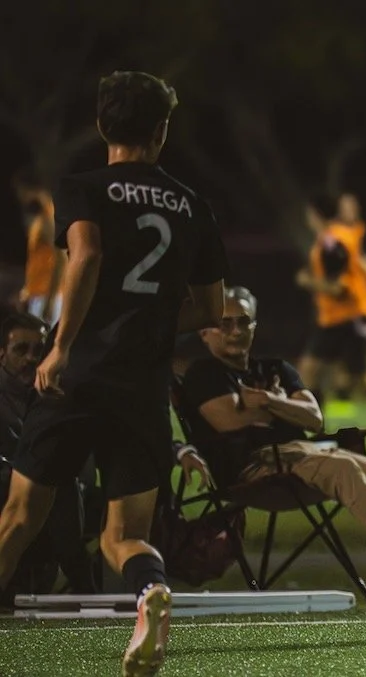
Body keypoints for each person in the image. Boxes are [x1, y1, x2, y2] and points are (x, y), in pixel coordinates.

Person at [0, 71, 227, 676]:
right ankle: (149, 591)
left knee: (21, 515)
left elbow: (90, 253)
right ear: (161, 132)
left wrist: (64, 345)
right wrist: (147, 321)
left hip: (79, 377)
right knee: (122, 534)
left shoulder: (82, 187)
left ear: (103, 125)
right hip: (143, 385)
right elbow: (211, 310)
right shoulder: (193, 205)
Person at [179, 286, 366, 605]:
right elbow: (231, 423)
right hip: (255, 468)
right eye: (225, 324)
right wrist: (286, 407)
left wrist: (265, 402)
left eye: (243, 322)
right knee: (342, 467)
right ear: (206, 333)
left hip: (304, 456)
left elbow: (314, 418)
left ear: (254, 327)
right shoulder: (202, 374)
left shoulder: (277, 368)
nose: (235, 331)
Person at [0, 313, 95, 596]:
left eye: (39, 351)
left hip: (46, 491)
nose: (31, 358)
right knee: (51, 480)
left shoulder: (58, 395)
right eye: (21, 350)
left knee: (53, 479)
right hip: (10, 487)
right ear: (2, 353)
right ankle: (81, 580)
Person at [295, 196, 366, 419]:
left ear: (316, 215)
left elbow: (338, 288)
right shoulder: (336, 236)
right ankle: (315, 420)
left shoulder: (333, 240)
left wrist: (308, 281)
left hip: (346, 315)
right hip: (341, 316)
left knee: (362, 376)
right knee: (313, 370)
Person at [12, 171, 64, 325]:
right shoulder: (42, 218)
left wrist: (51, 299)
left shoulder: (48, 220)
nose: (21, 197)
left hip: (45, 296)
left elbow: (61, 258)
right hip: (38, 294)